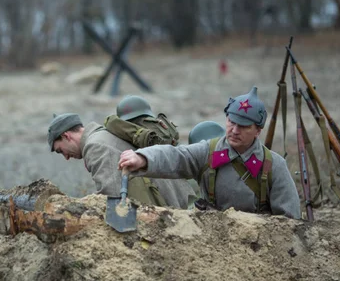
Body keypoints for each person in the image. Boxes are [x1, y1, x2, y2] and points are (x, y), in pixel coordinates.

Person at [118, 86, 301, 219]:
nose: (235, 130)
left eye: (244, 126)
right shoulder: (209, 151)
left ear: (258, 130)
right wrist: (142, 158)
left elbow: (289, 221)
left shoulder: (274, 166)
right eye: (231, 122)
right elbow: (177, 156)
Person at [48, 113, 194, 209]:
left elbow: (112, 199)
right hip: (181, 199)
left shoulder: (95, 146)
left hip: (172, 209)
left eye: (61, 151)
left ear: (66, 136)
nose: (66, 157)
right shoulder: (103, 135)